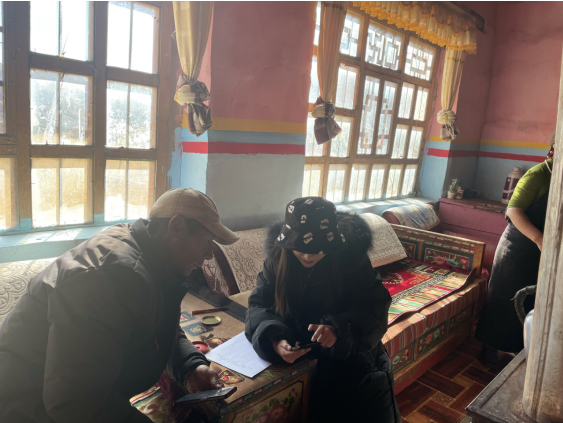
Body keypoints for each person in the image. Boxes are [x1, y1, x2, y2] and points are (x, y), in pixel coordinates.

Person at [0, 188, 239, 423]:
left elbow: (158, 328)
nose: (209, 254)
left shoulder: (150, 255)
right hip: (27, 408)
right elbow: (77, 402)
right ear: (176, 227)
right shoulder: (113, 277)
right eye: (207, 241)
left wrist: (190, 366)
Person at [245, 197, 400, 423]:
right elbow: (259, 304)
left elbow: (374, 306)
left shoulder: (350, 256)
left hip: (351, 362)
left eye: (317, 250)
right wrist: (274, 339)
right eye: (301, 249)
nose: (308, 256)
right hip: (299, 361)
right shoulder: (278, 258)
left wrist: (339, 330)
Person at [476, 140, 555, 362]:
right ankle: (493, 353)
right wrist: (540, 239)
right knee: (506, 302)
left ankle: (519, 353)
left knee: (531, 302)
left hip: (544, 251)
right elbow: (513, 210)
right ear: (556, 146)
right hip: (518, 249)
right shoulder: (539, 174)